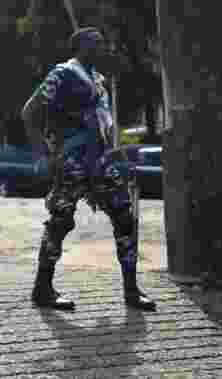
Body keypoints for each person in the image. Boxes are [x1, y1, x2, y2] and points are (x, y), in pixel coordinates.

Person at [22, 27, 155, 311]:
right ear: (80, 46)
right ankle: (42, 289)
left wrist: (114, 153)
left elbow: (104, 123)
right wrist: (44, 155)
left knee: (124, 218)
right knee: (60, 222)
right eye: (97, 43)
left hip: (102, 162)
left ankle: (131, 291)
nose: (103, 47)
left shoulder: (98, 80)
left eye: (103, 42)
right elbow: (30, 112)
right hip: (71, 160)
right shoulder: (61, 74)